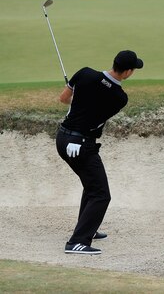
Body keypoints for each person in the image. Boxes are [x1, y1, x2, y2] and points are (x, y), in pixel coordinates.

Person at [57, 50, 143, 255]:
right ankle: (77, 242)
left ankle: (88, 229)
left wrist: (78, 98)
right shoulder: (120, 97)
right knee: (101, 194)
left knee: (92, 186)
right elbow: (94, 114)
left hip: (63, 138)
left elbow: (63, 99)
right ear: (128, 72)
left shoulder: (85, 73)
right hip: (80, 144)